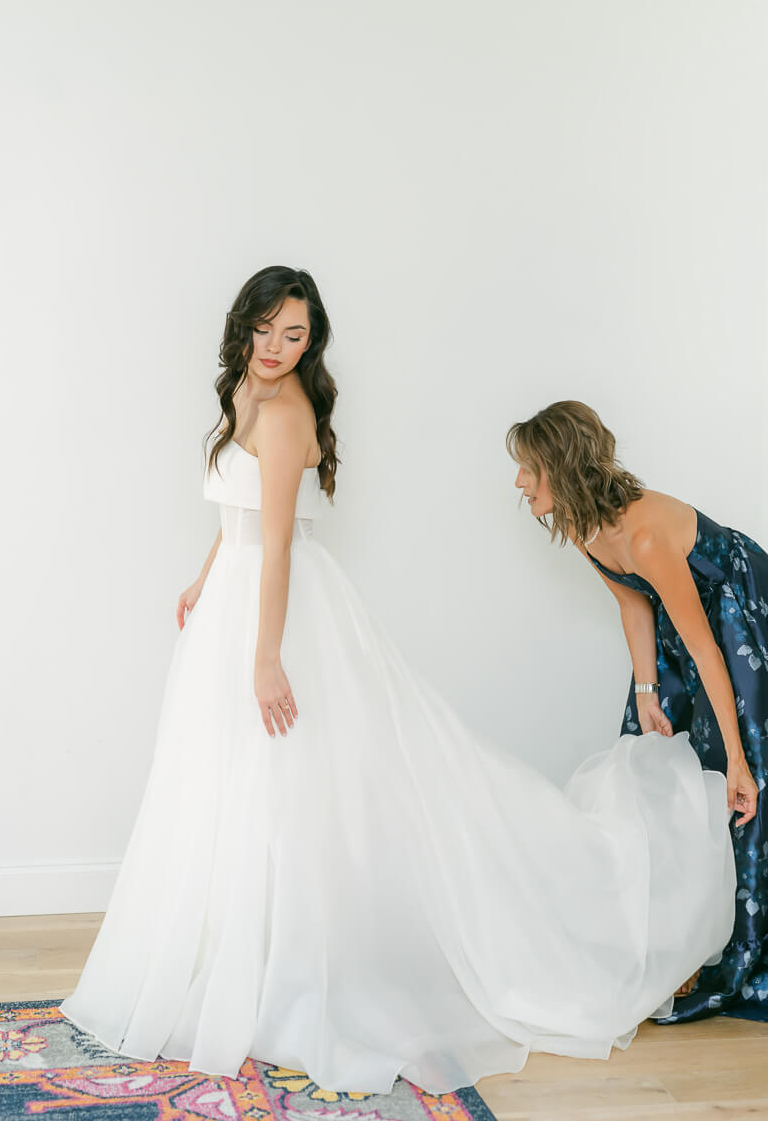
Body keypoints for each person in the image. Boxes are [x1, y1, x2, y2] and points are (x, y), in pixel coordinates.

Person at [60, 271, 736, 1095]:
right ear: (243, 328)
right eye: (266, 331)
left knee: (297, 783)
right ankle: (249, 958)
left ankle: (298, 972)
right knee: (231, 785)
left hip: (275, 607)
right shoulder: (245, 389)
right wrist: (206, 579)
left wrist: (266, 656)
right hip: (238, 595)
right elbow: (237, 520)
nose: (276, 349)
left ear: (313, 345)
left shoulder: (284, 413)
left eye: (295, 337)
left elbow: (277, 543)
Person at [507, 399, 766, 1025]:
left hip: (733, 610)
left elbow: (708, 649)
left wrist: (735, 756)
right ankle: (667, 949)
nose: (518, 483)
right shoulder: (583, 526)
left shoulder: (646, 536)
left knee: (743, 779)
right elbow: (633, 605)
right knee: (644, 766)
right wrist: (646, 696)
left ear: (561, 469)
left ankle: (740, 959)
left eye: (527, 469)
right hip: (680, 626)